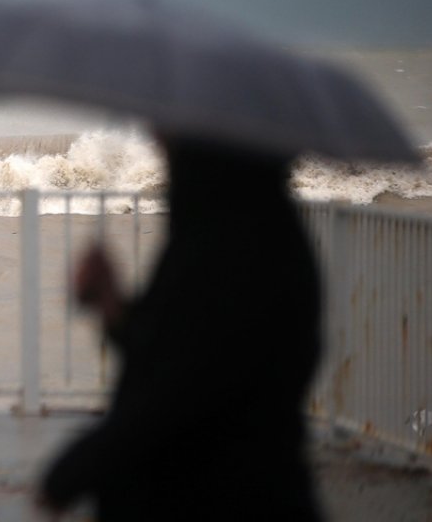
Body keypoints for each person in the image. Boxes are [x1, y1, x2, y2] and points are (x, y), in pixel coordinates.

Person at [36, 137, 324, 520]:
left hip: (222, 497)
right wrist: (111, 303)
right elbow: (171, 344)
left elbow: (177, 394)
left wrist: (75, 471)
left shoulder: (231, 248)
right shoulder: (239, 232)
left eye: (173, 137)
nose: (160, 141)